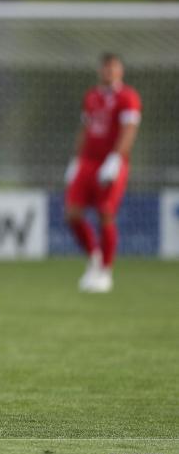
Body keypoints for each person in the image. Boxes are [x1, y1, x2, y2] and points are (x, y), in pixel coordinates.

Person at [65, 53, 141, 293]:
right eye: (105, 69)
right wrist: (76, 160)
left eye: (113, 69)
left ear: (121, 71)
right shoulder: (91, 97)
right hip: (87, 162)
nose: (109, 73)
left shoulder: (128, 97)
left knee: (105, 212)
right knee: (72, 214)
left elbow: (129, 130)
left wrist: (116, 159)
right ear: (100, 71)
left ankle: (106, 271)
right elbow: (85, 129)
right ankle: (94, 257)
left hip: (111, 162)